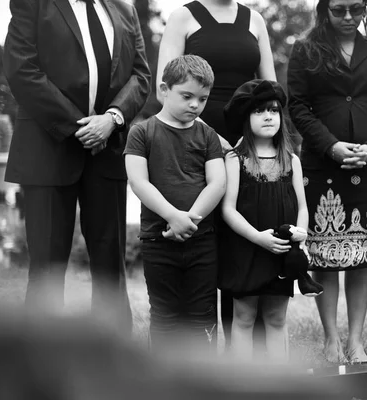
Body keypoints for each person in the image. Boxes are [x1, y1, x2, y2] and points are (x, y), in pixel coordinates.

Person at [3, 0, 151, 331]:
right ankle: (41, 365)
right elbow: (21, 69)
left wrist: (112, 120)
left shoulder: (124, 10)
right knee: (47, 268)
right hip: (47, 149)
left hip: (108, 151)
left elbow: (141, 75)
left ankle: (114, 359)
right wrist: (81, 127)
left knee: (111, 265)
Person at [287, 0, 367, 363]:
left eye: (355, 10)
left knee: (360, 257)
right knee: (325, 256)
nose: (347, 18)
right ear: (325, 9)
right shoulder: (305, 50)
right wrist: (331, 146)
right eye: (339, 10)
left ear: (364, 10)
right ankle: (330, 340)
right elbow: (298, 106)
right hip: (322, 166)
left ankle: (355, 341)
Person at [156, 0, 277, 348]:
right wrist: (215, 139)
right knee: (209, 242)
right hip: (194, 141)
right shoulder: (182, 17)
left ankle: (248, 347)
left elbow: (269, 89)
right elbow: (163, 90)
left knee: (244, 237)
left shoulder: (255, 20)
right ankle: (199, 345)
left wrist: (252, 140)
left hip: (248, 145)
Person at [124, 55, 226, 351]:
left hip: (202, 240)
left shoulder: (207, 135)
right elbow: (138, 181)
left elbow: (217, 182)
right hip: (159, 240)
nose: (195, 105)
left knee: (202, 316)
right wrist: (172, 215)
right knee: (165, 316)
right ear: (164, 89)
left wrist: (190, 219)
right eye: (187, 96)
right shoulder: (142, 132)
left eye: (203, 99)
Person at [219, 79, 308, 363]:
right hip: (246, 249)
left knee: (276, 317)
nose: (268, 116)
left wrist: (301, 233)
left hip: (280, 252)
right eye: (259, 111)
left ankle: (279, 383)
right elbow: (228, 210)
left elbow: (302, 206)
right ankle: (244, 383)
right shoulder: (235, 159)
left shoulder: (290, 159)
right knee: (244, 317)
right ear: (246, 118)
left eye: (273, 110)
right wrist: (257, 238)